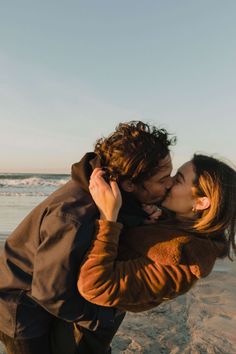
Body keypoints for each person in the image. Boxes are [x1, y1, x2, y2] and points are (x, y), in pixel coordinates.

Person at [0, 121, 176, 354]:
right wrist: (103, 315)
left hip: (59, 291)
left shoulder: (115, 191)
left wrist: (149, 215)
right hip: (21, 306)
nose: (171, 184)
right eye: (163, 179)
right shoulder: (72, 217)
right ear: (130, 184)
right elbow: (50, 293)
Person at [77, 154, 236, 313]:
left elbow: (96, 287)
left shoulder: (185, 261)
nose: (168, 182)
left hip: (83, 323)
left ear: (200, 202)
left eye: (178, 180)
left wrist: (108, 218)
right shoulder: (165, 221)